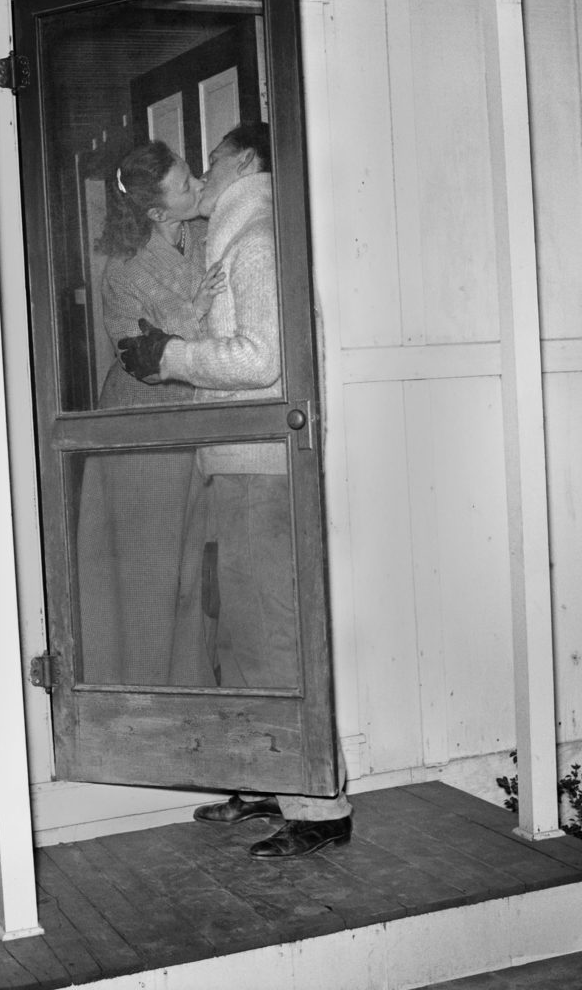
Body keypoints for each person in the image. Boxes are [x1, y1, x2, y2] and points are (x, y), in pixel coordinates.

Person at [118, 123, 352, 859]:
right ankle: (262, 778)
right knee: (237, 635)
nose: (204, 168)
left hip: (264, 468)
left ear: (245, 159)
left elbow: (264, 359)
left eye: (211, 157)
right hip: (235, 466)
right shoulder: (231, 232)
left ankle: (319, 808)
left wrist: (171, 356)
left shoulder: (254, 233)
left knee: (274, 636)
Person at [75, 140, 224, 687]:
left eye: (192, 172)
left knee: (191, 569)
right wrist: (196, 311)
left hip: (196, 418)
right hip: (143, 429)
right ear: (157, 212)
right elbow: (139, 354)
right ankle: (140, 698)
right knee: (147, 572)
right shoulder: (123, 271)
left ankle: (188, 691)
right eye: (187, 185)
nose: (200, 184)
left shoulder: (207, 232)